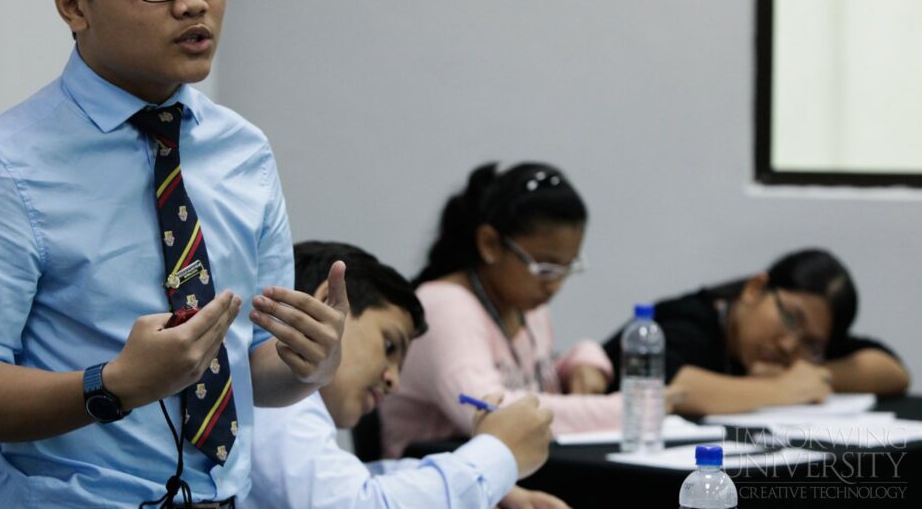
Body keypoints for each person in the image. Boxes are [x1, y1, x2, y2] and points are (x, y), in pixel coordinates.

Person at [0, 0, 348, 508]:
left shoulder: (244, 151)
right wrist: (114, 383)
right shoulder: (1, 170)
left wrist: (309, 363)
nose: (194, 3)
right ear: (74, 3)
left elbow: (251, 366)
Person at [246, 241, 569, 509]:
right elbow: (358, 504)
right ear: (328, 305)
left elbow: (357, 483)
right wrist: (496, 455)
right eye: (389, 345)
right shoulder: (275, 400)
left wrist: (490, 490)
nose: (394, 381)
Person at [381, 162, 621, 459]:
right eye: (545, 268)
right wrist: (627, 411)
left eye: (567, 267)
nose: (555, 285)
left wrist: (582, 359)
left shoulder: (527, 307)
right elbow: (492, 412)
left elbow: (531, 380)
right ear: (490, 244)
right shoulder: (444, 307)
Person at [602, 248, 911, 416]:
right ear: (755, 288)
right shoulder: (689, 320)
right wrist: (784, 389)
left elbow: (891, 370)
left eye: (812, 342)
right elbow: (662, 386)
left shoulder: (800, 352)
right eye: (790, 319)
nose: (790, 344)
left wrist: (817, 374)